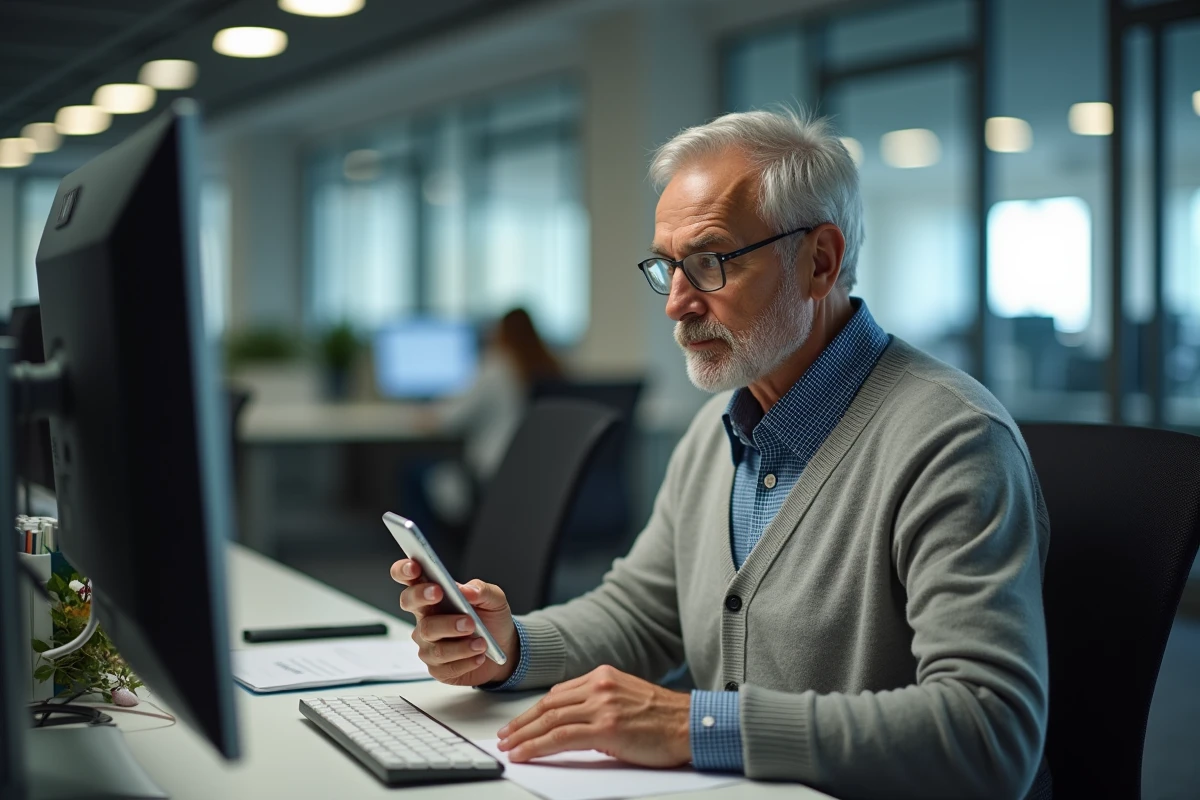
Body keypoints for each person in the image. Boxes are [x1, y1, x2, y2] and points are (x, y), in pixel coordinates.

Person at [391, 108, 1052, 800]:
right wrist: (509, 645)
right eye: (667, 267)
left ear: (819, 262)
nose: (676, 303)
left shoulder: (951, 440)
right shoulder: (718, 429)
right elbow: (642, 614)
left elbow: (989, 732)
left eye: (709, 263)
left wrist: (697, 725)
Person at [420, 308, 564, 527]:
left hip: (494, 472)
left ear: (502, 333)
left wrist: (427, 416)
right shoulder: (550, 368)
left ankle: (430, 557)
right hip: (536, 472)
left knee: (417, 475)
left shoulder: (497, 368)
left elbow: (451, 418)